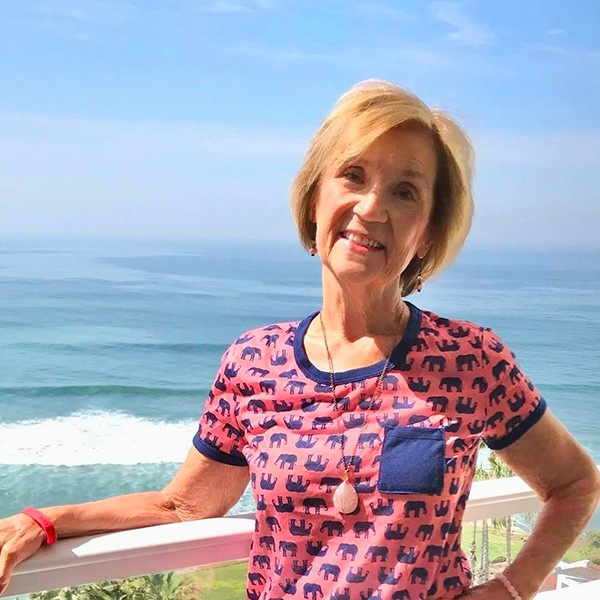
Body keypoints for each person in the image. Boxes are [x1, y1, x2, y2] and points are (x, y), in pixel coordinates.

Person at [0, 80, 598, 600]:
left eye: (405, 191)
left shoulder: (470, 361)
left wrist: (512, 588)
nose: (372, 207)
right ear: (315, 197)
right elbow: (183, 505)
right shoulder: (253, 363)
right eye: (354, 175)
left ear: (427, 234)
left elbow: (575, 483)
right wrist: (47, 521)